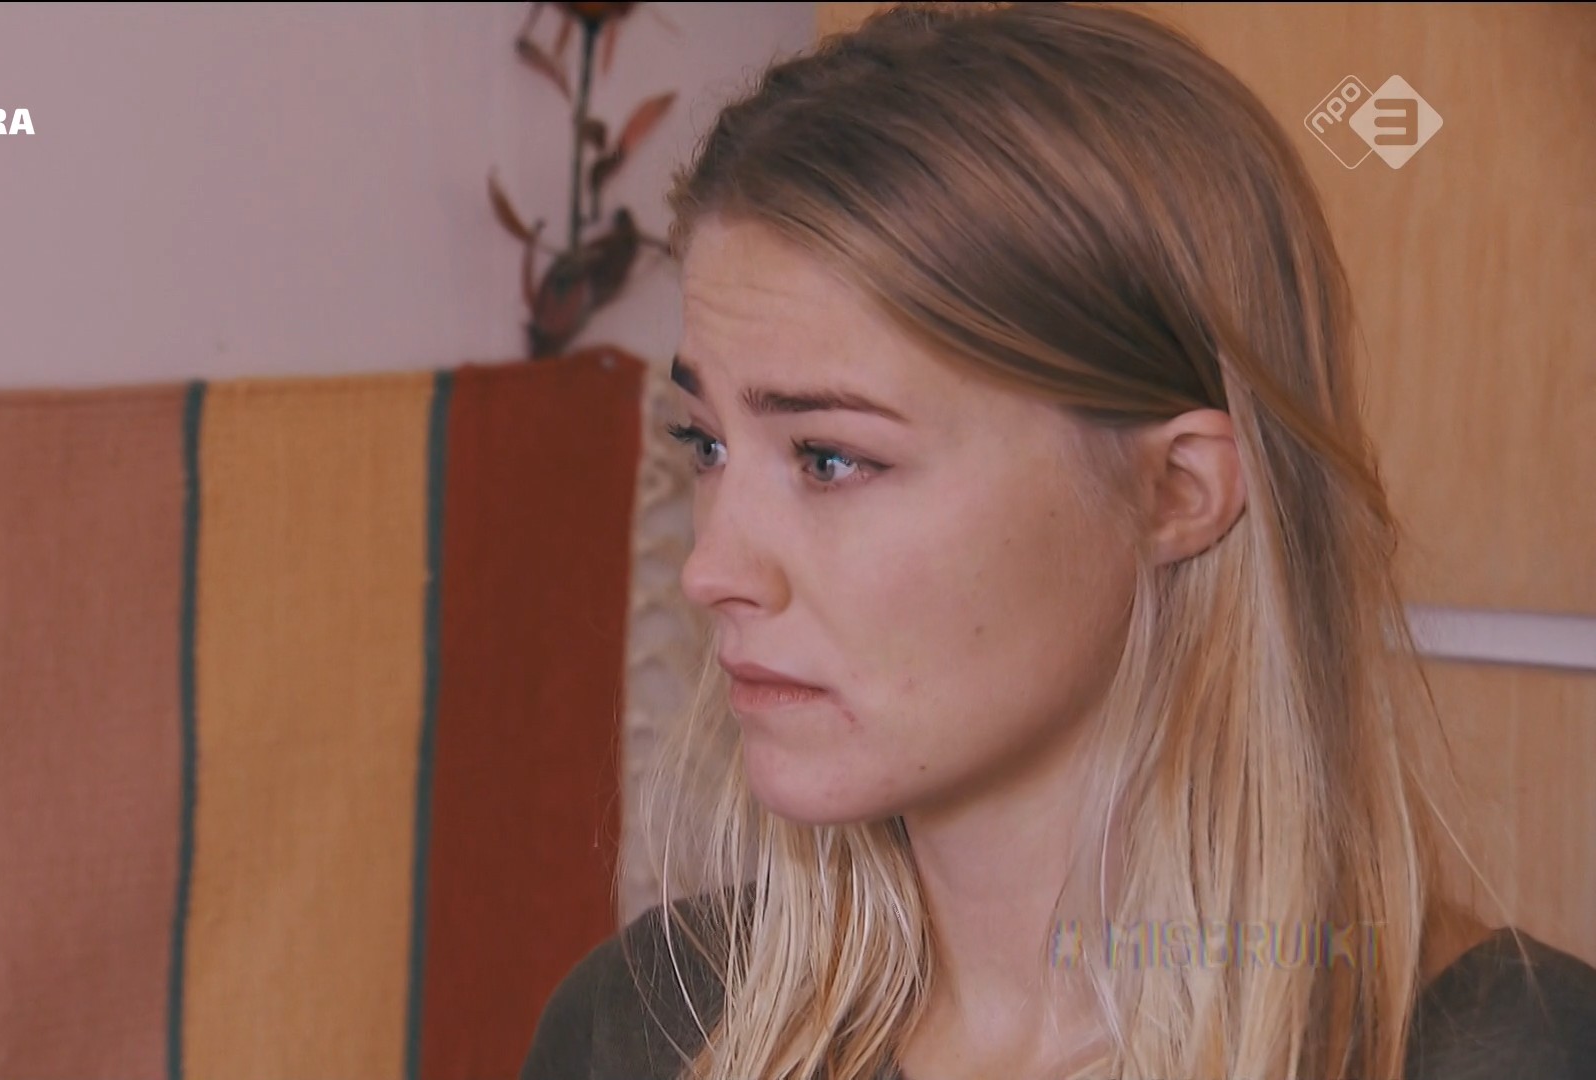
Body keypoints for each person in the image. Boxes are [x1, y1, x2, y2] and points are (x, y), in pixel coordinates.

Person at [520, 4, 1596, 1079]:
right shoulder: (644, 1028)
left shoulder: (1510, 1055)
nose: (711, 569)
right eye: (706, 443)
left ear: (1178, 490)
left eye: (831, 459)